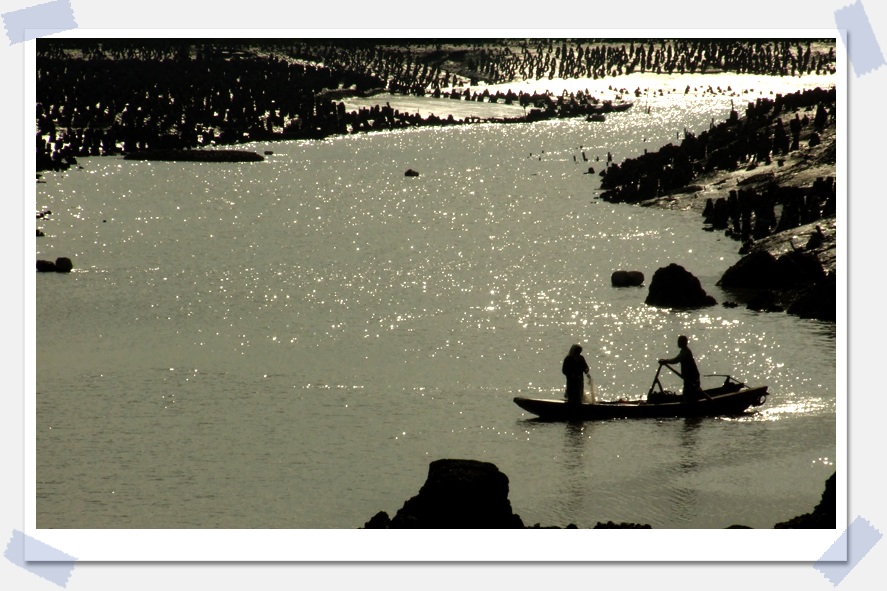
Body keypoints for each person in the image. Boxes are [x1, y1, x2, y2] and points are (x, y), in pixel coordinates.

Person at [658, 335, 702, 403]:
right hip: (688, 378)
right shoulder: (682, 351)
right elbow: (676, 358)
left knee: (690, 396)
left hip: (692, 378)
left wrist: (666, 361)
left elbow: (676, 360)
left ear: (684, 343)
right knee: (688, 395)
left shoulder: (686, 352)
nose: (678, 343)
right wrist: (666, 360)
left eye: (679, 342)